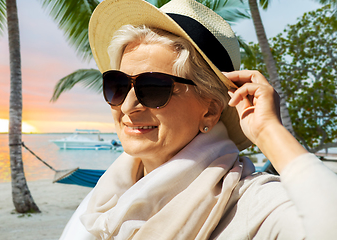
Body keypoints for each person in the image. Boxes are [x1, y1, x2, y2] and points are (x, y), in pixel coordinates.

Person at [60, 0, 337, 239]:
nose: (128, 106)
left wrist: (269, 132)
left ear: (210, 110)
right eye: (118, 85)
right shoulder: (105, 201)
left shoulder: (252, 205)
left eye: (154, 88)